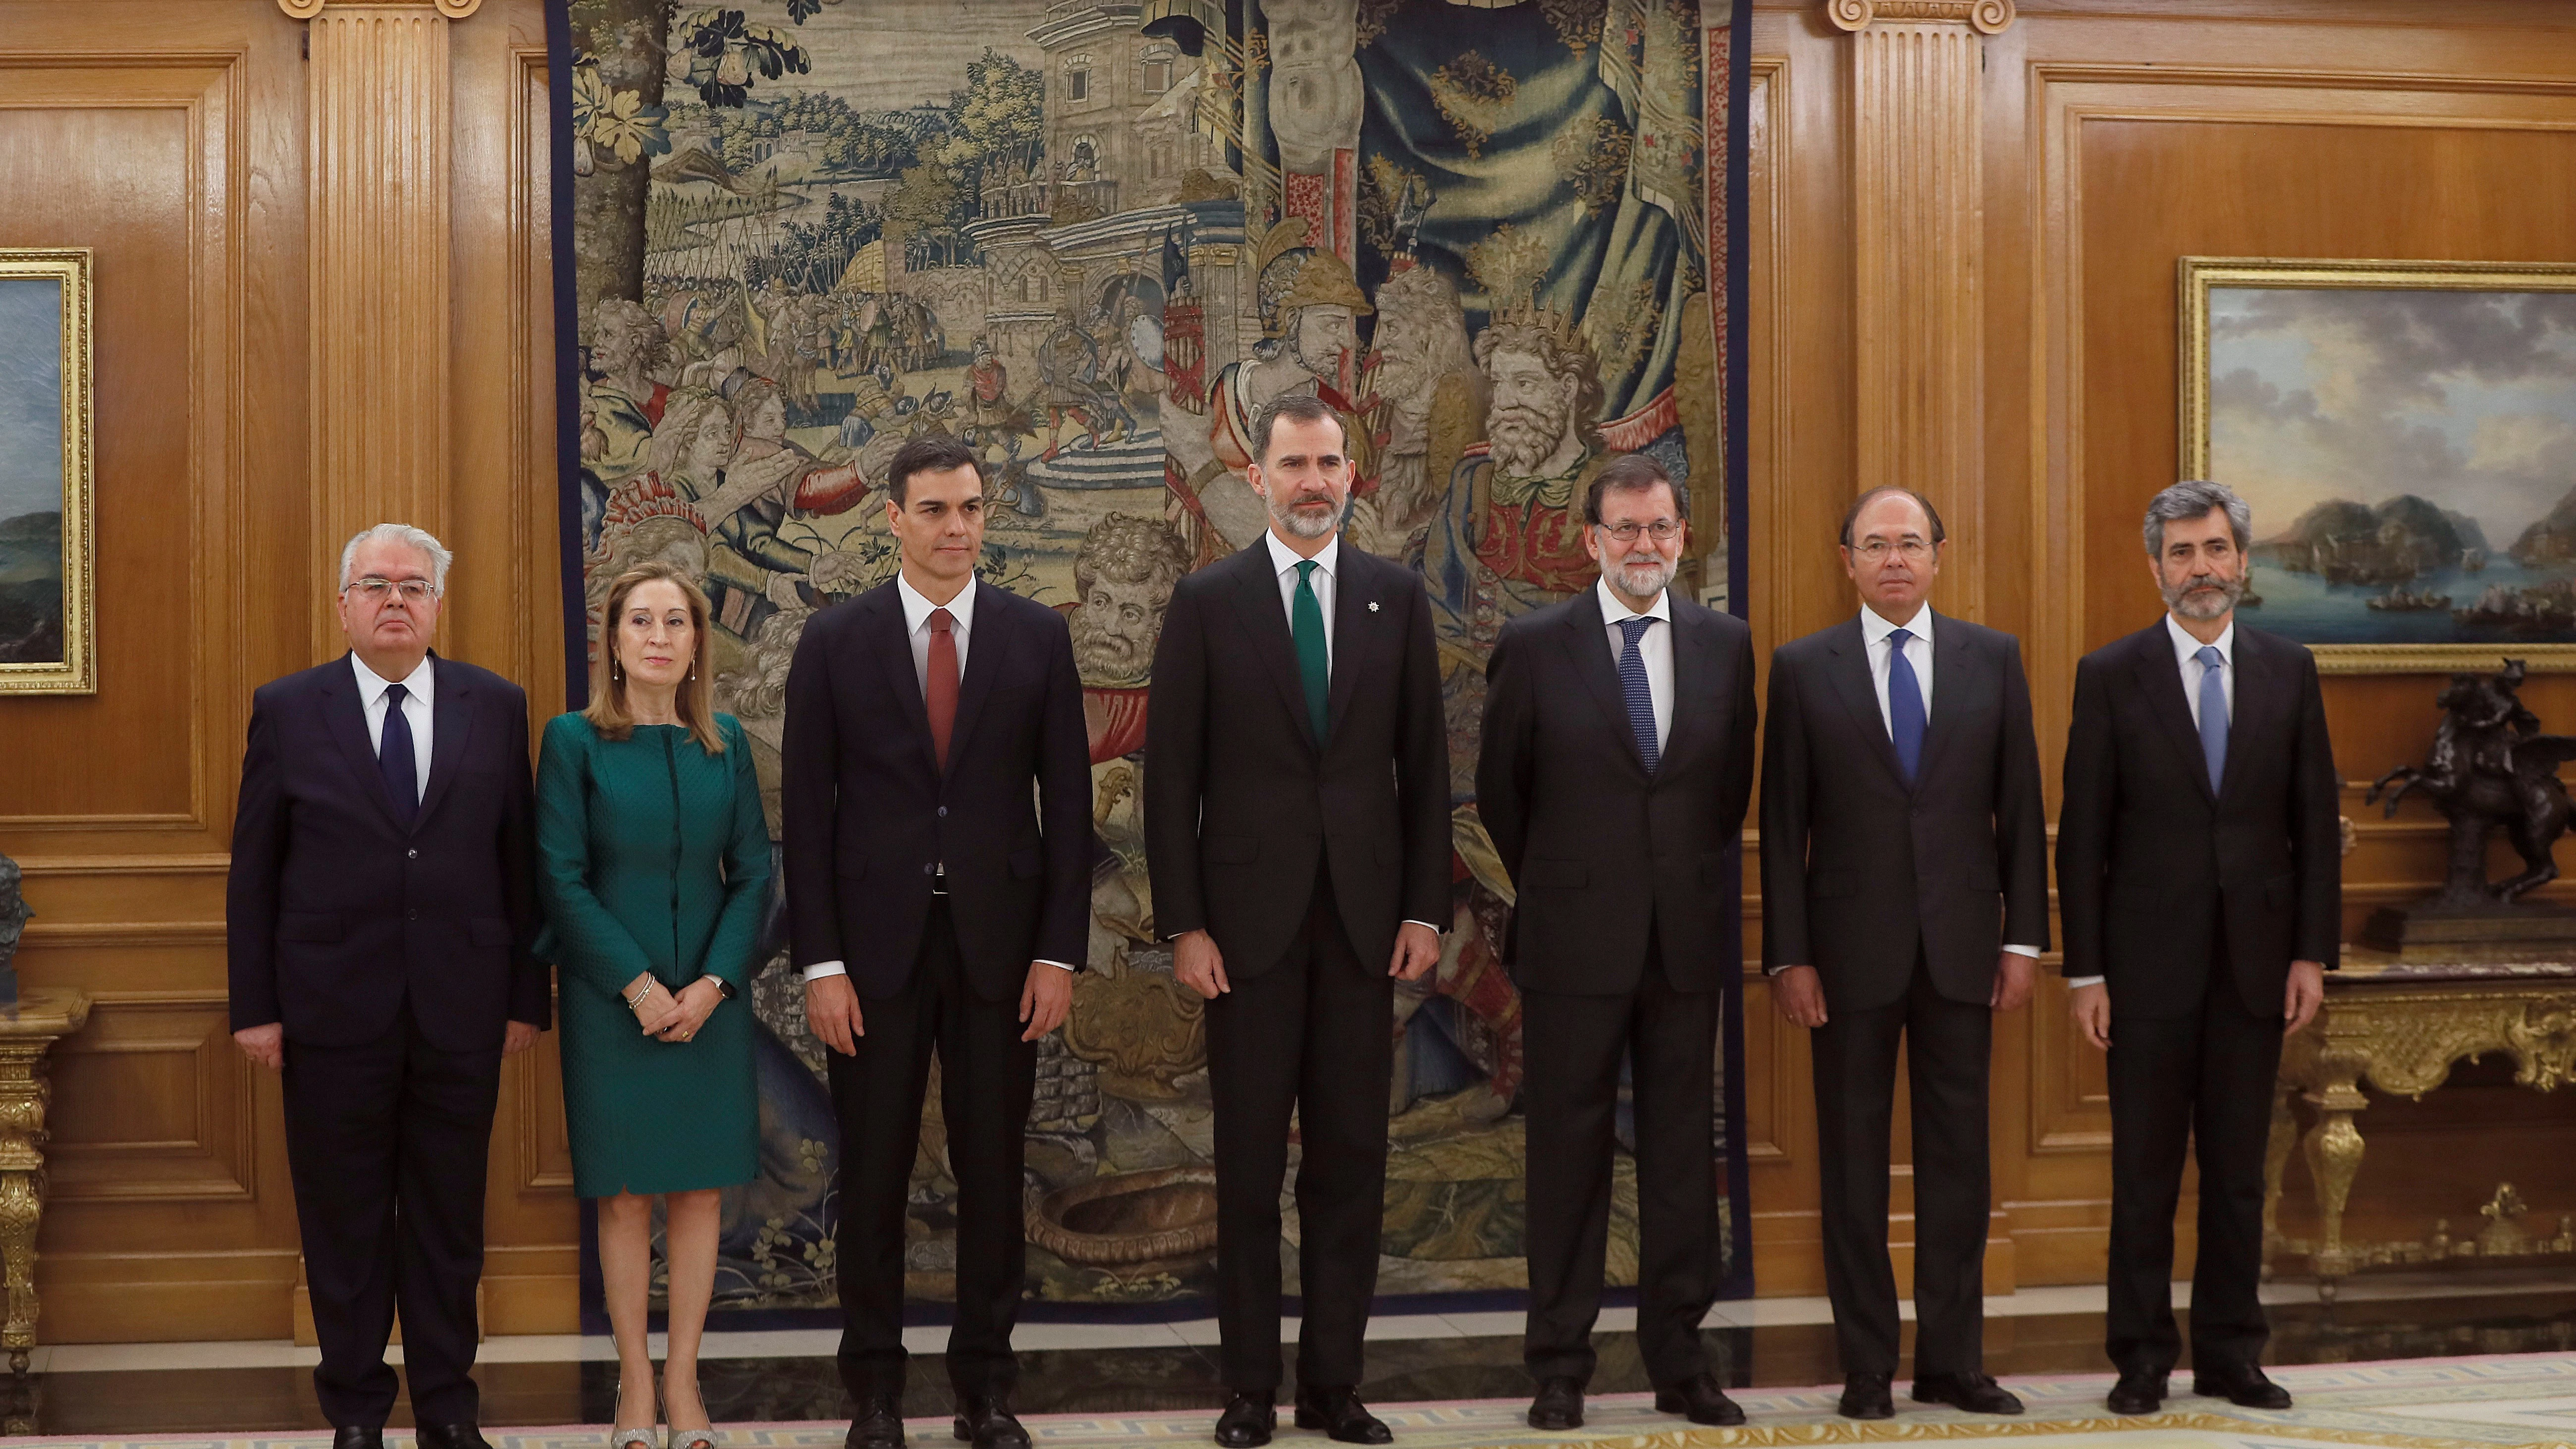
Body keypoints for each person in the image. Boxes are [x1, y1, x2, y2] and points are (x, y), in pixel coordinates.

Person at [1144, 393, 1450, 1449]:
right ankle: (1246, 1392)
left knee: (1349, 1165)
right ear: (1259, 477)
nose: (1313, 481)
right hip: (1243, 933)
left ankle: (1333, 1386)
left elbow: (1425, 771)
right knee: (1244, 1173)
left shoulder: (1394, 598)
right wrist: (1183, 923)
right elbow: (1169, 776)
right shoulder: (1206, 601)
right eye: (1293, 464)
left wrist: (1424, 908)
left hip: (1366, 928)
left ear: (1350, 475)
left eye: (1328, 462)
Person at [782, 435, 1093, 1449]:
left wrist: (1060, 953)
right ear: (893, 519)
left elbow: (1070, 804)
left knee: (993, 1170)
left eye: (968, 508)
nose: (954, 527)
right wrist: (820, 963)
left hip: (1002, 955)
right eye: (933, 510)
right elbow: (808, 812)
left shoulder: (1036, 635)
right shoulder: (835, 640)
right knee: (870, 1174)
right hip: (870, 957)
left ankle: (985, 1391)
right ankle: (873, 1392)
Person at [225, 524, 547, 1449]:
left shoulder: (496, 704)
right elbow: (255, 871)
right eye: (375, 585)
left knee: (449, 1225)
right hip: (329, 1011)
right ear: (343, 605)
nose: (395, 600)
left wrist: (528, 995)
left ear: (440, 603)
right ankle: (357, 1414)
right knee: (345, 1224)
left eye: (413, 585)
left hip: (464, 1006)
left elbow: (518, 859)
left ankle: (449, 1411)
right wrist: (257, 1008)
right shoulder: (288, 709)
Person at [1475, 455, 1755, 1433]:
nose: (1644, 546)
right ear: (1589, 540)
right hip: (1571, 940)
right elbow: (1504, 797)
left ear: (1683, 537)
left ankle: (1681, 1361)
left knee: (1682, 1155)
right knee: (1567, 1154)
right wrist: (1570, 879)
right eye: (1624, 530)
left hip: (1682, 942)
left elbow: (1725, 796)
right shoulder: (1534, 645)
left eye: (1660, 529)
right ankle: (1558, 1364)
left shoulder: (1726, 646)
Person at [1758, 487, 2048, 1421]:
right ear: (1845, 560)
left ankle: (1955, 1363)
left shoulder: (1993, 660)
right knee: (1851, 1167)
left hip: (1965, 951)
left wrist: (2022, 941)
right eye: (1875, 545)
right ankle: (1867, 1367)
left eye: (1910, 543)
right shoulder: (1803, 670)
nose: (1894, 559)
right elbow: (1784, 824)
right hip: (1843, 961)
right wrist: (1787, 957)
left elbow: (2020, 815)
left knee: (1961, 1163)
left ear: (1939, 555)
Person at [2057, 479, 2337, 1416]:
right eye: (2181, 554)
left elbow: (2311, 821)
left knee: (2237, 1175)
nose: (2201, 569)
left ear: (2243, 562)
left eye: (2215, 550)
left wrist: (2311, 955)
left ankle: (2231, 1354)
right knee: (2142, 1175)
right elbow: (2082, 839)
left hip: (2258, 968)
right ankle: (2140, 1358)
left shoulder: (2290, 670)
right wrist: (2085, 971)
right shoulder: (2109, 675)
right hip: (2143, 972)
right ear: (2155, 569)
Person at [536, 562, 770, 1449]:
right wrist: (638, 986)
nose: (661, 636)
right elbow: (559, 878)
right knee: (627, 1199)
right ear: (615, 640)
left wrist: (711, 986)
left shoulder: (727, 744)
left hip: (712, 1002)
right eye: (643, 621)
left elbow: (753, 873)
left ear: (698, 641)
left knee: (702, 1196)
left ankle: (684, 1388)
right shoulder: (574, 742)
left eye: (677, 621)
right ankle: (635, 1386)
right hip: (611, 1001)